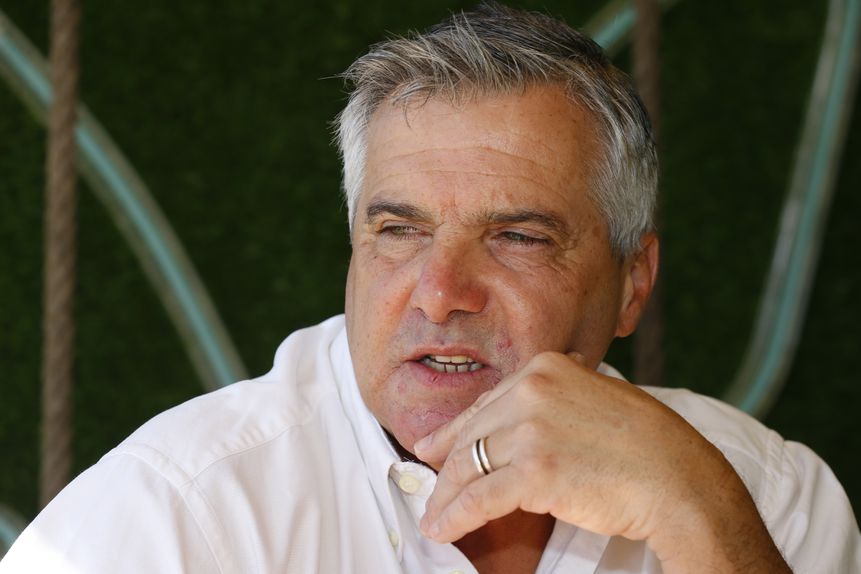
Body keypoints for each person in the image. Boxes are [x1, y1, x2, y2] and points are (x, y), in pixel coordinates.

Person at [2, 3, 859, 573]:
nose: (440, 292)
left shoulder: (764, 495)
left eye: (517, 236)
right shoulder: (172, 518)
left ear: (632, 285)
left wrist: (701, 520)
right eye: (398, 230)